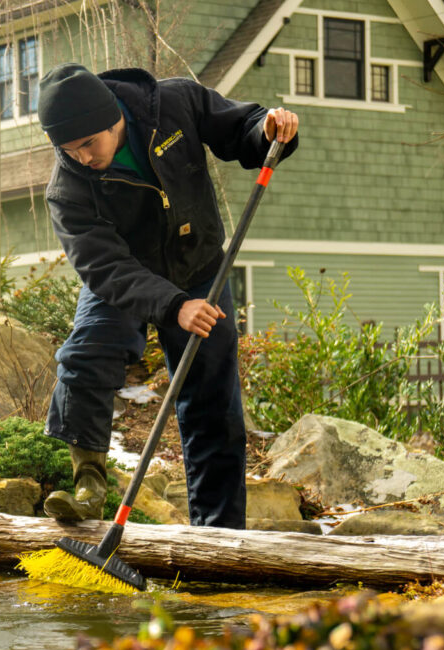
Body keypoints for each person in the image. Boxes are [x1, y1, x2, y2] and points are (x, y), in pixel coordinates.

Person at [36, 64, 299, 527]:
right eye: (67, 150)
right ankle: (88, 486)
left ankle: (218, 533)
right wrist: (174, 306)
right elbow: (104, 266)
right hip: (124, 277)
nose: (80, 158)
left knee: (210, 400)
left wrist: (268, 130)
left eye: (87, 145)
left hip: (198, 267)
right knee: (86, 355)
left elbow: (241, 129)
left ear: (112, 116)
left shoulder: (174, 104)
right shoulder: (67, 188)